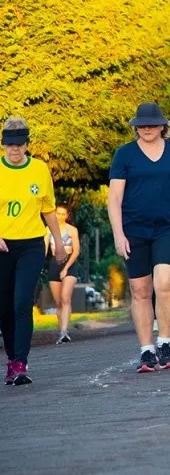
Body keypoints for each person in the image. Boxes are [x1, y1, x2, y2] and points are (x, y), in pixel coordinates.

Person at [108, 103, 170, 373]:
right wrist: (118, 234)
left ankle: (165, 344)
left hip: (168, 228)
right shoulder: (124, 154)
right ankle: (147, 350)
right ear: (136, 127)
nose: (147, 129)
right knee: (140, 290)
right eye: (142, 125)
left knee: (165, 282)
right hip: (134, 230)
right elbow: (114, 198)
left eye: (152, 124)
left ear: (162, 126)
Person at [0, 117, 67, 385]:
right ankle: (11, 359)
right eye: (9, 145)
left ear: (27, 145)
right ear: (3, 145)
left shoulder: (39, 169)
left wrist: (58, 242)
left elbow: (48, 209)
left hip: (31, 244)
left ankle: (20, 363)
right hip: (3, 245)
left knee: (22, 302)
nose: (14, 149)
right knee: (4, 307)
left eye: (19, 144)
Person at [47, 205, 81, 345]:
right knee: (58, 302)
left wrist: (66, 268)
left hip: (69, 265)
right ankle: (61, 331)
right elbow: (44, 249)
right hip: (54, 265)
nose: (60, 216)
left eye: (63, 214)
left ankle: (64, 331)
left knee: (65, 298)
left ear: (67, 215)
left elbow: (76, 251)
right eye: (58, 213)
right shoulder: (48, 229)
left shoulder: (72, 230)